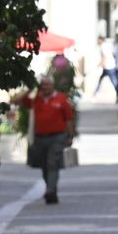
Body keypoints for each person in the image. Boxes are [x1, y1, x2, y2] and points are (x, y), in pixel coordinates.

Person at [14, 75, 76, 205]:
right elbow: (17, 100)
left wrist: (70, 135)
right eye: (43, 85)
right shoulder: (35, 99)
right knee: (44, 166)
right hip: (40, 137)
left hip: (57, 137)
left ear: (52, 85)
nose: (45, 87)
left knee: (52, 163)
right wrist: (31, 88)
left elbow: (69, 118)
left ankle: (50, 191)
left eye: (47, 84)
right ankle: (50, 187)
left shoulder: (61, 99)